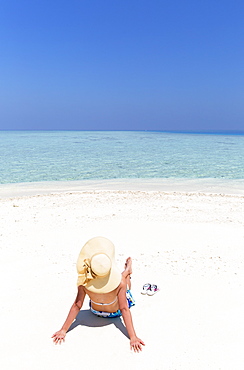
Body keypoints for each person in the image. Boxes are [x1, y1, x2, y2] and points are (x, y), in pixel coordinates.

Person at [52, 236, 145, 352]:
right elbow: (124, 309)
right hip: (115, 313)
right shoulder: (119, 282)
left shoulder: (84, 282)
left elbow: (77, 305)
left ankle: (126, 272)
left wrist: (63, 330)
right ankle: (127, 272)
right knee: (125, 283)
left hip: (95, 312)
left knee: (116, 284)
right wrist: (133, 337)